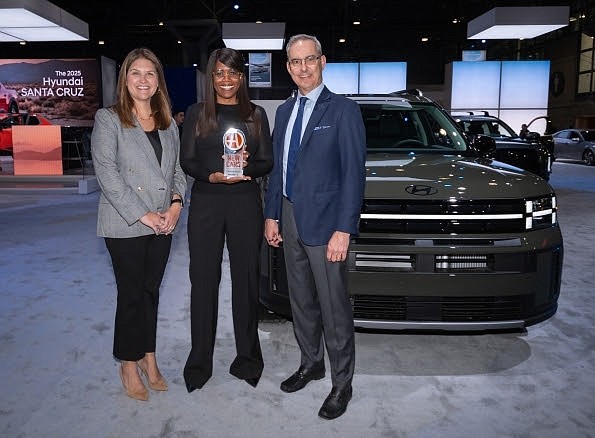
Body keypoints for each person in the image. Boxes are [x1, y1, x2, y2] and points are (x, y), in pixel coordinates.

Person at [263, 34, 366, 420]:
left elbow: (354, 176)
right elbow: (278, 170)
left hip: (326, 225)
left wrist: (344, 229)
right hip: (289, 216)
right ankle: (311, 363)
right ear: (288, 67)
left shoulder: (343, 111)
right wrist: (272, 214)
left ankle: (342, 383)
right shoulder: (285, 113)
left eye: (309, 59)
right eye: (295, 61)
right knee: (300, 299)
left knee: (333, 305)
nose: (303, 67)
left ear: (322, 62)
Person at [91, 47, 187, 401]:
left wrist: (176, 206)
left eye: (150, 73)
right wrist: (144, 214)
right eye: (136, 73)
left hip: (163, 223)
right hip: (126, 223)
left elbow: (177, 171)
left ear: (159, 81)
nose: (143, 80)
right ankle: (128, 362)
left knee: (150, 292)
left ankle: (149, 355)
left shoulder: (167, 123)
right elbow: (108, 174)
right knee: (131, 295)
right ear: (125, 79)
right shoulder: (109, 118)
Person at [180, 47, 273, 391]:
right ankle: (199, 362)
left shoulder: (256, 114)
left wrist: (246, 166)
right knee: (203, 284)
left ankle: (248, 359)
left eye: (233, 73)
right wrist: (211, 175)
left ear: (242, 77)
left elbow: (268, 162)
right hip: (206, 204)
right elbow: (187, 161)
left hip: (245, 204)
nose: (226, 80)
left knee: (246, 283)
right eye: (219, 73)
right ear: (211, 76)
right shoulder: (196, 113)